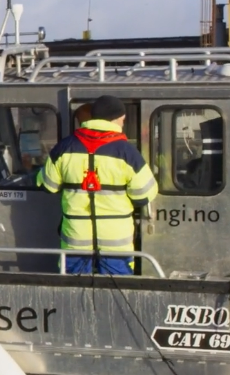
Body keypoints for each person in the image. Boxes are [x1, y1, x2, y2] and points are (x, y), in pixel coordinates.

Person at [37, 95, 158, 275]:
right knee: (117, 294)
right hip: (115, 242)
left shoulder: (64, 148)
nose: (123, 124)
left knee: (73, 290)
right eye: (123, 120)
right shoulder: (127, 152)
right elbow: (144, 195)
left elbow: (47, 185)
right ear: (115, 119)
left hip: (75, 240)